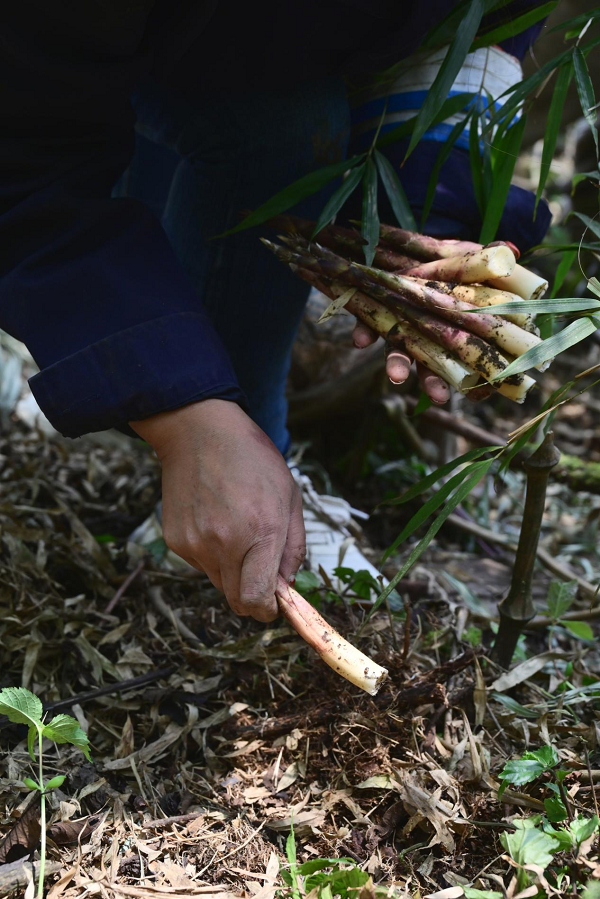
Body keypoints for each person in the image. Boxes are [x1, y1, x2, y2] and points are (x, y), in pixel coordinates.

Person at [0, 2, 551, 624]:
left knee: (282, 115)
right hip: (75, 57)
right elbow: (23, 161)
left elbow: (484, 23)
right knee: (282, 128)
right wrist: (188, 417)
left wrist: (437, 204)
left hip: (231, 36)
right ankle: (232, 464)